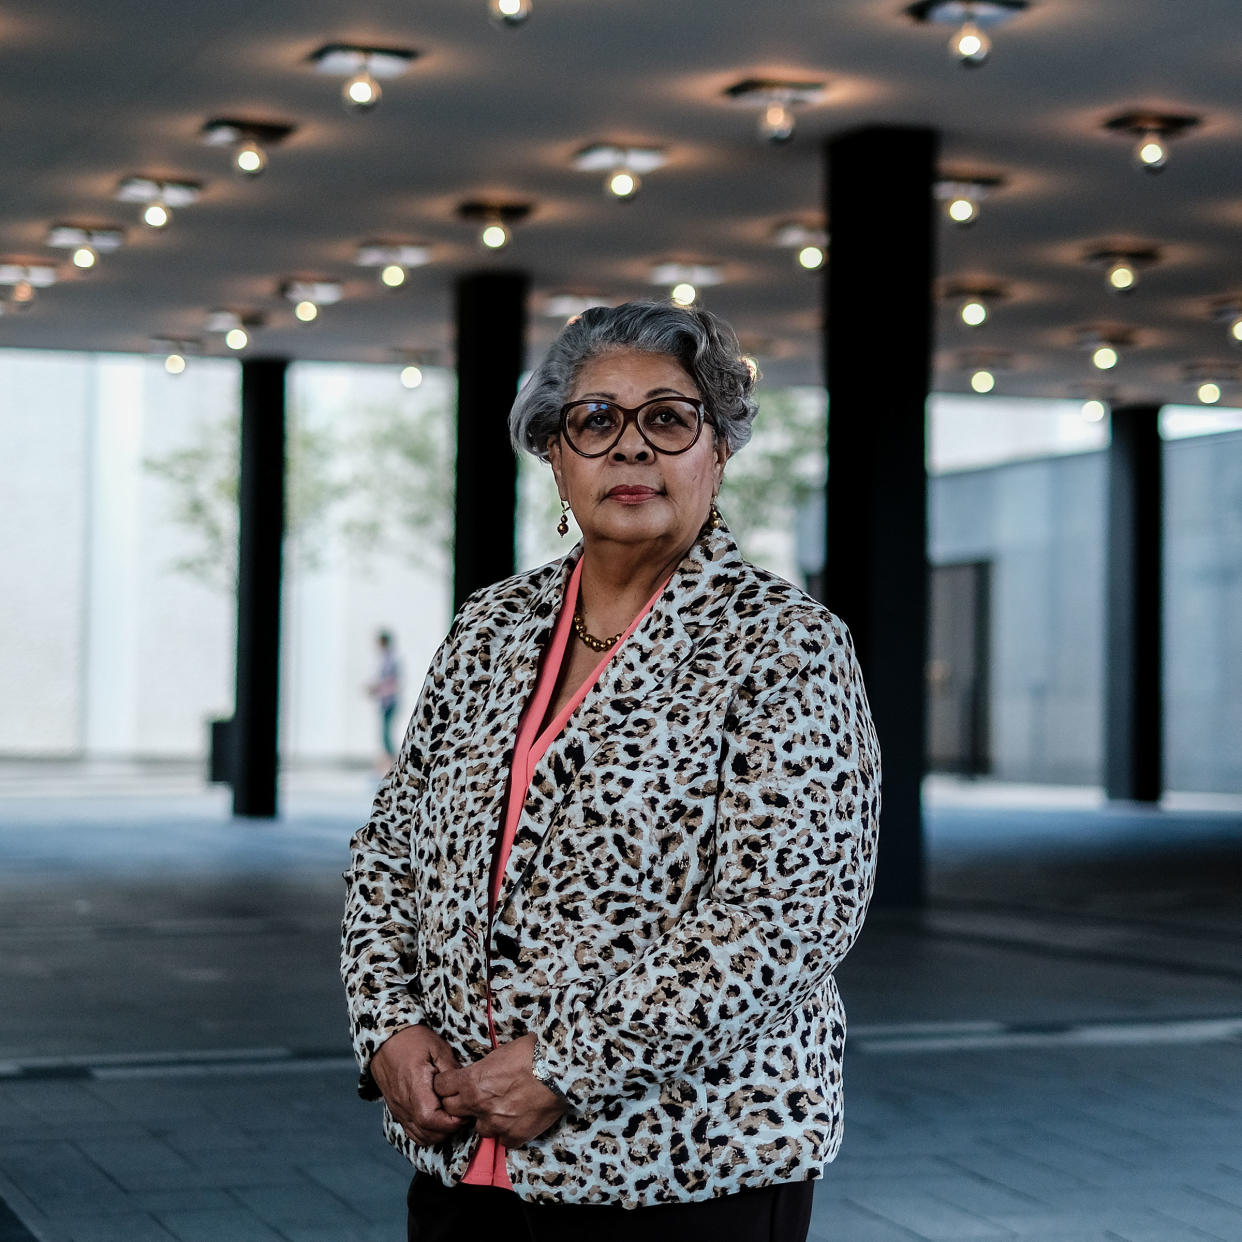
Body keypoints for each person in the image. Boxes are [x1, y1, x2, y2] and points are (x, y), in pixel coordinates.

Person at [341, 301, 881, 1242]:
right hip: (466, 1158)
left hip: (688, 1171)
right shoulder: (490, 628)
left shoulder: (787, 646)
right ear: (556, 455)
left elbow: (790, 916)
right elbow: (390, 850)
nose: (630, 449)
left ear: (719, 449)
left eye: (668, 418)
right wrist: (386, 1025)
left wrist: (567, 1063)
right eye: (596, 422)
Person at [367, 630, 401, 763]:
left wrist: (377, 688)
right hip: (386, 700)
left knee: (386, 734)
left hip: (389, 701)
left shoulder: (390, 659)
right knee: (384, 734)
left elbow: (392, 681)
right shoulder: (387, 658)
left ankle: (394, 762)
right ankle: (391, 761)